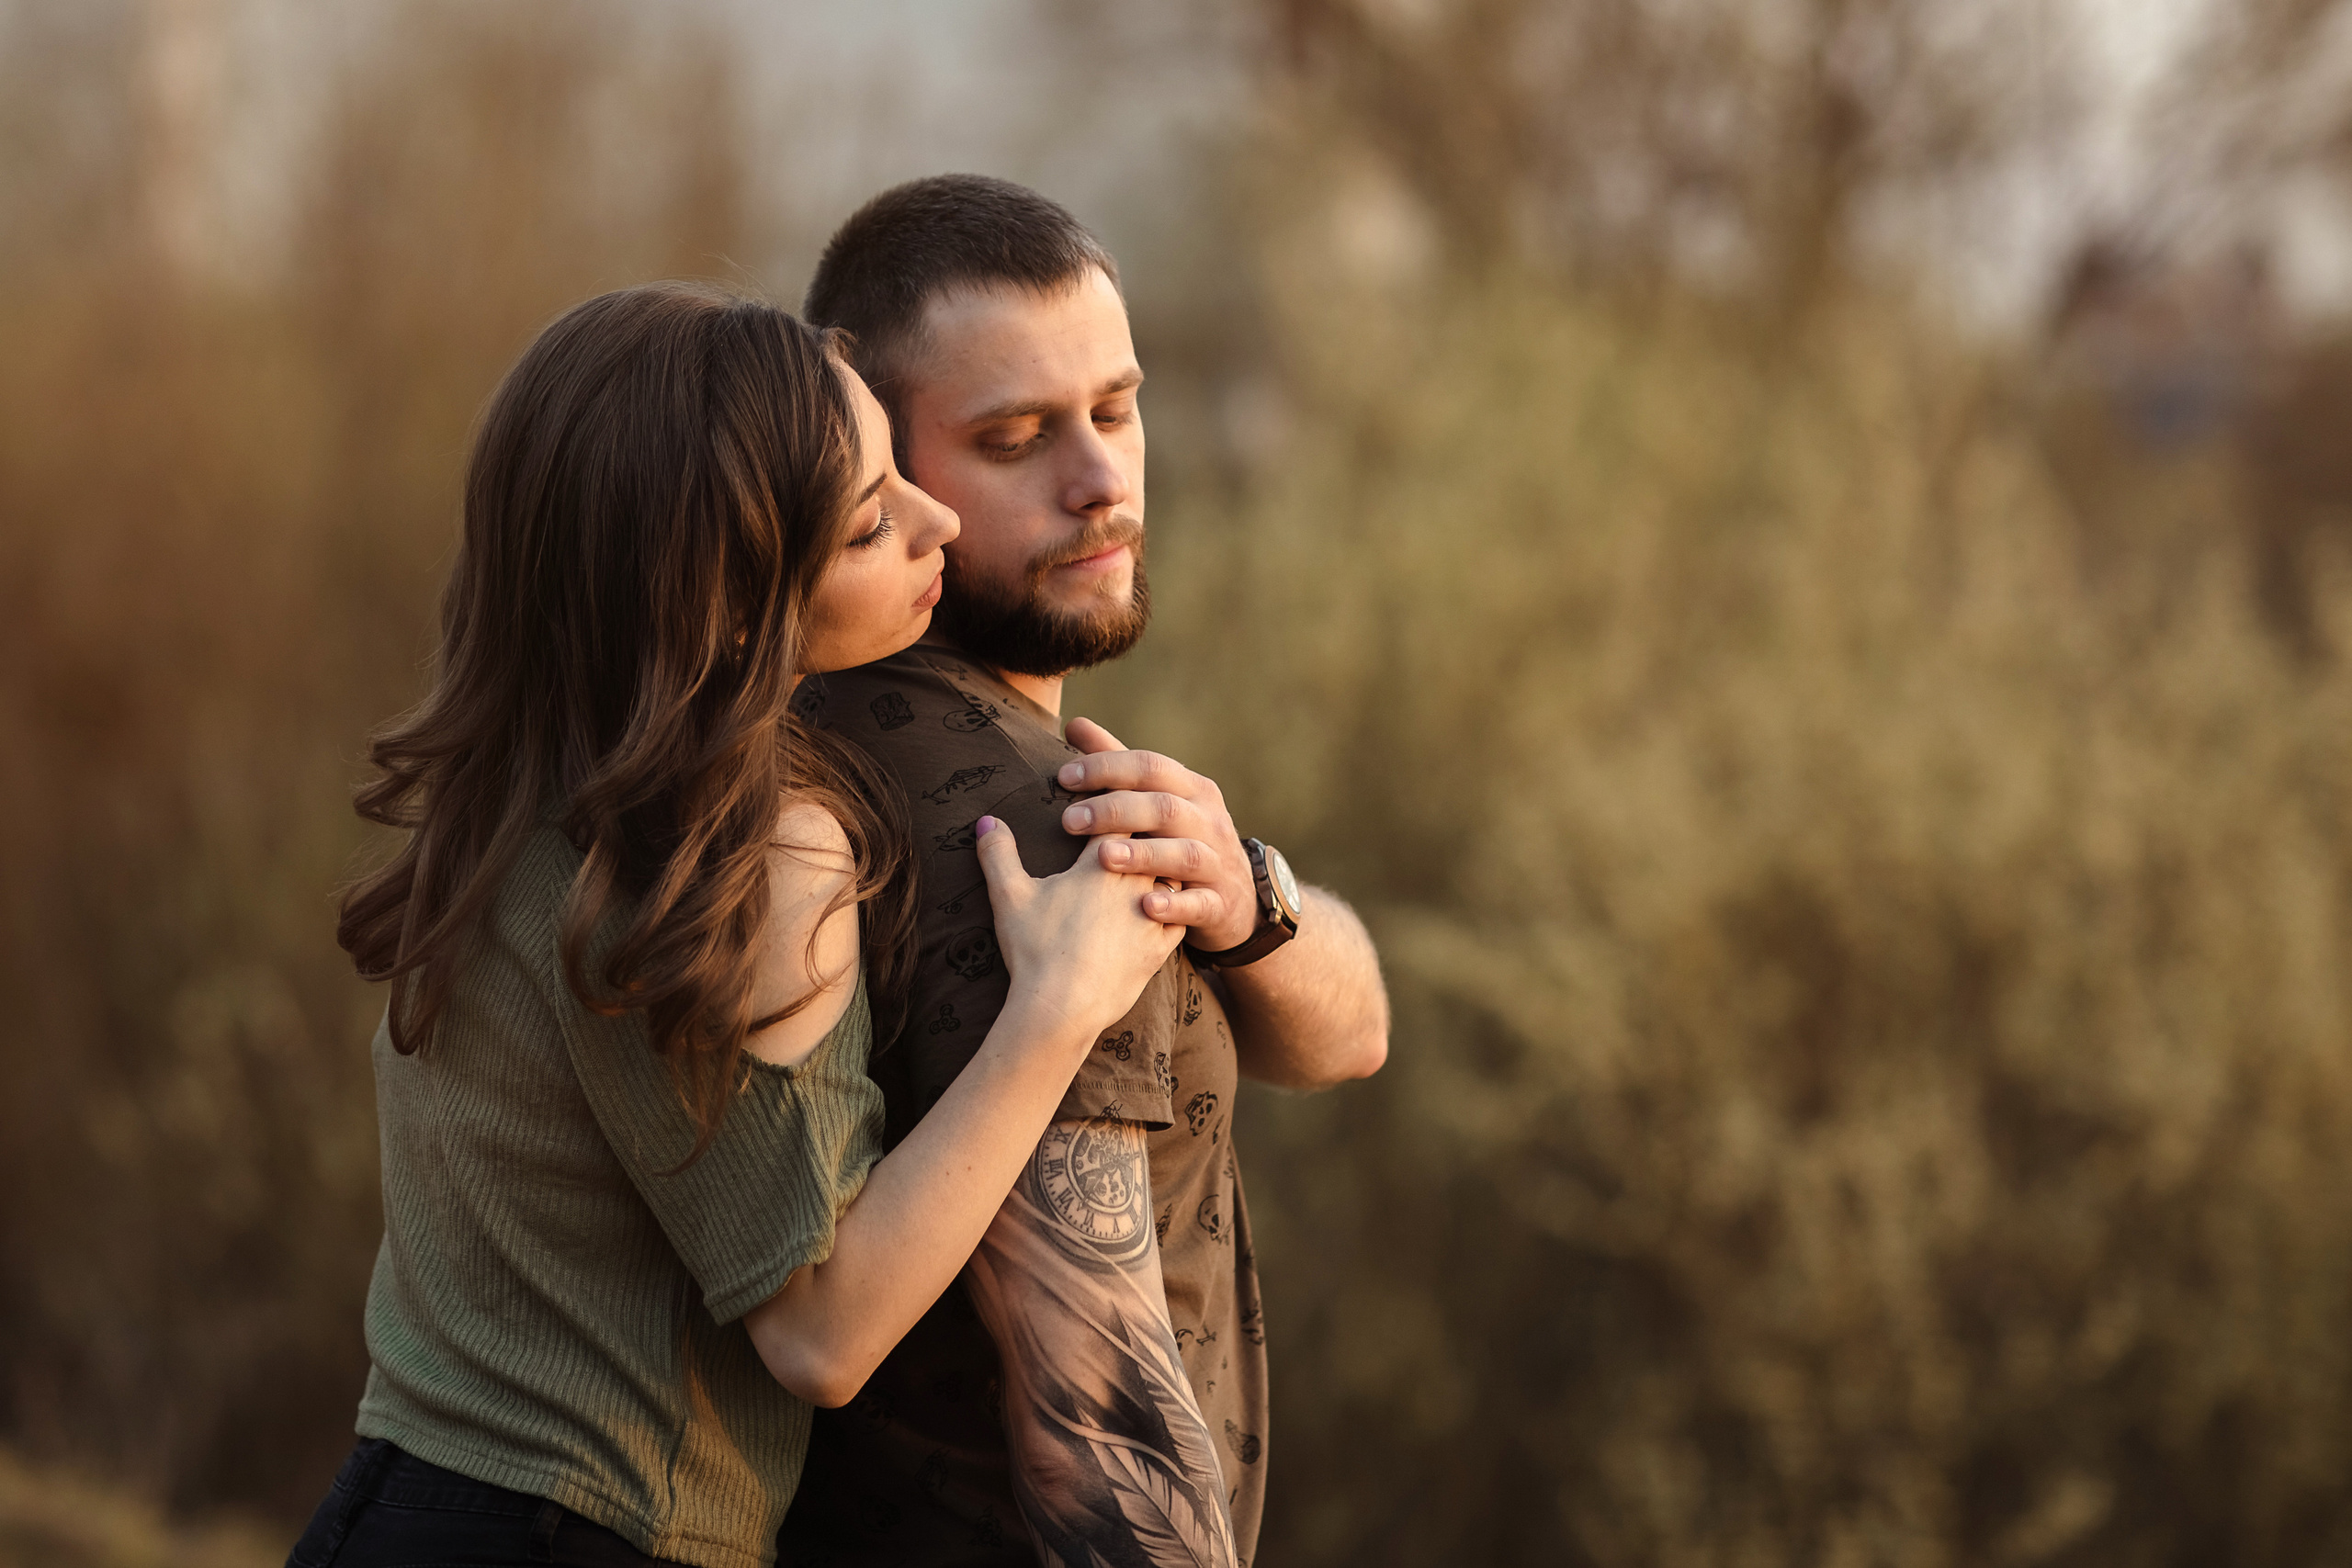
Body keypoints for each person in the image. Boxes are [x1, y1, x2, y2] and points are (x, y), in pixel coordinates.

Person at [287, 281, 1218, 1568]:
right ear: (728, 599)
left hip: (392, 1511)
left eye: (904, 472)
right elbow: (821, 1336)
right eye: (866, 525)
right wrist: (1055, 1011)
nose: (935, 517)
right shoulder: (740, 843)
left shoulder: (523, 781)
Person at [777, 176, 1390, 1568]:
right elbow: (1103, 1450)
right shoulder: (1029, 850)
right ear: (871, 458)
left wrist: (1249, 899)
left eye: (1117, 409)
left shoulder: (798, 755)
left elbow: (1355, 1035)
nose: (1102, 480)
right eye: (1013, 438)